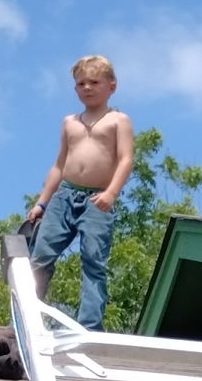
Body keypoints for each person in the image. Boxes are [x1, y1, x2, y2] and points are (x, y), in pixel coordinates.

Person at [23, 55, 134, 331]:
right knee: (39, 256)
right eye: (81, 83)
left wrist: (111, 193)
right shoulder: (69, 122)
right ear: (75, 89)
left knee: (93, 260)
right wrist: (41, 203)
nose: (87, 87)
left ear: (111, 86)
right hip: (65, 195)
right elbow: (59, 165)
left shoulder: (118, 120)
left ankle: (89, 326)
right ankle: (25, 320)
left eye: (94, 82)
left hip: (97, 198)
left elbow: (126, 160)